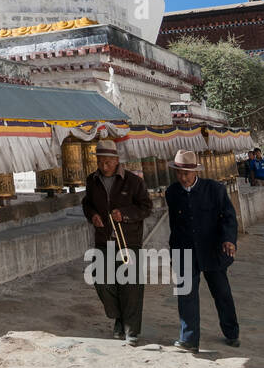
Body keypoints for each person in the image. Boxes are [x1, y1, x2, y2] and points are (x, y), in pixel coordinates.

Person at [166, 149, 240, 351]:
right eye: (179, 173)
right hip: (184, 251)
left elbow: (229, 217)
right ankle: (189, 339)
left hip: (212, 250)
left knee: (222, 293)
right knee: (186, 295)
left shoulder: (215, 189)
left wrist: (228, 240)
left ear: (195, 172)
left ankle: (232, 332)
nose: (183, 178)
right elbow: (175, 225)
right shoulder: (172, 192)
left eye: (186, 174)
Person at [82, 142, 154, 345]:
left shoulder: (133, 181)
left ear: (116, 161)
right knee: (101, 281)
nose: (103, 166)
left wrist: (125, 214)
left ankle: (131, 330)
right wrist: (93, 215)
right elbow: (87, 203)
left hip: (128, 241)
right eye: (100, 162)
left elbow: (146, 207)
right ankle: (119, 317)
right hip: (104, 240)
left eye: (107, 162)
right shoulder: (92, 180)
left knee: (130, 286)